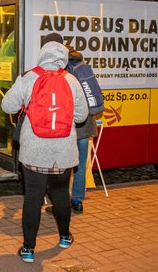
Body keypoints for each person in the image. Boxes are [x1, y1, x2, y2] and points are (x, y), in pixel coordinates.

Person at [1, 40, 88, 263]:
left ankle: (28, 248)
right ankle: (65, 237)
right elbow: (81, 117)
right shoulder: (71, 81)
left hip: (34, 152)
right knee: (61, 195)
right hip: (63, 153)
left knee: (32, 199)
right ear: (63, 58)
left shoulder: (29, 77)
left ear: (42, 55)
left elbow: (7, 107)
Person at [66, 46, 100, 214]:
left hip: (70, 124)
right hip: (86, 124)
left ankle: (62, 201)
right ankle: (77, 201)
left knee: (63, 165)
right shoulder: (83, 68)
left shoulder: (65, 71)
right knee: (79, 165)